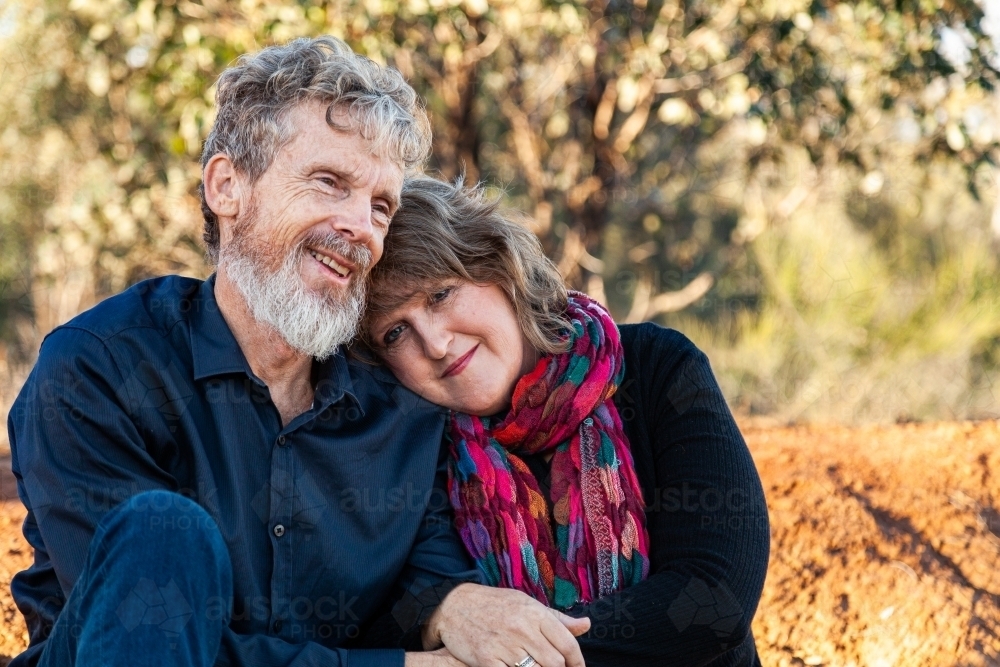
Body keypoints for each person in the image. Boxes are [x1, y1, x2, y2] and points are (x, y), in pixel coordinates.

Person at [7, 37, 590, 667]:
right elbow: (146, 635)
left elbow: (425, 580)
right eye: (328, 182)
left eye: (380, 207)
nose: (361, 227)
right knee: (164, 533)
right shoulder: (98, 369)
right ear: (227, 187)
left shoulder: (399, 407)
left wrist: (453, 605)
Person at [360, 175, 772, 667]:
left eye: (440, 294)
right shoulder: (408, 445)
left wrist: (523, 656)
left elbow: (713, 601)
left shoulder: (657, 368)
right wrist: (442, 611)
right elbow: (377, 613)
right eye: (395, 333)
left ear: (499, 267)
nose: (435, 343)